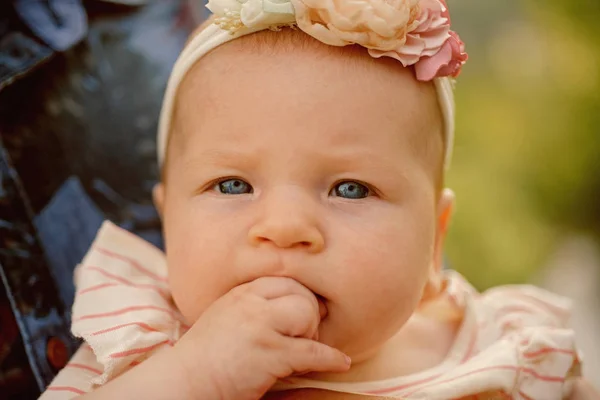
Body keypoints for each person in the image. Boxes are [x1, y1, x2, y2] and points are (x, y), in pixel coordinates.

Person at [39, 0, 599, 398]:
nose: (284, 227)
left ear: (435, 240)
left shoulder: (493, 346)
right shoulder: (144, 350)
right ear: (169, 222)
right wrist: (195, 378)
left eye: (350, 188)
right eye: (233, 185)